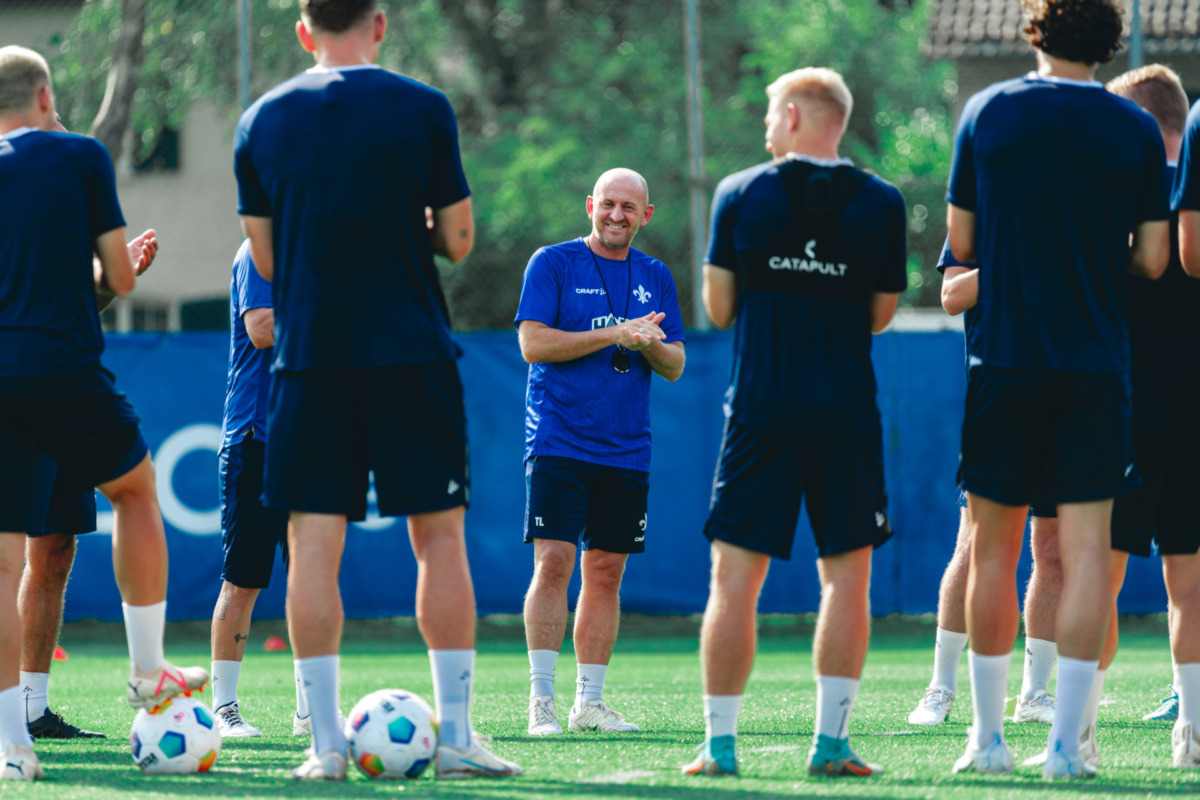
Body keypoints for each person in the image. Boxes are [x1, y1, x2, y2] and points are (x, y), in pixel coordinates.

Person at [233, 0, 520, 780]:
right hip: (410, 352)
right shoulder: (423, 107)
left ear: (304, 30)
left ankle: (325, 745)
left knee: (312, 547)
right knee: (439, 540)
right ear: (380, 23)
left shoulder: (260, 119)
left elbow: (265, 254)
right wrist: (406, 225)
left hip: (309, 358)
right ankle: (455, 736)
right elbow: (458, 241)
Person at [945, 0, 1169, 779]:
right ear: (1110, 44)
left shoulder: (987, 110)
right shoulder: (1136, 128)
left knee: (994, 553)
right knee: (1079, 559)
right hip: (1096, 367)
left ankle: (986, 741)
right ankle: (1066, 748)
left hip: (1004, 361)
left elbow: (962, 243)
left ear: (1034, 30)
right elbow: (1153, 258)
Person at [683, 67, 906, 778]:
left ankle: (720, 747)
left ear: (794, 116)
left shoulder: (739, 193)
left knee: (734, 582)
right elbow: (879, 315)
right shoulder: (882, 202)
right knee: (846, 580)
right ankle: (832, 746)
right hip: (845, 411)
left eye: (771, 114)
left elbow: (719, 310)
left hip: (760, 411)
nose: (765, 127)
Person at [0, 45, 208, 780]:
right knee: (137, 489)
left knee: (9, 559)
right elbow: (115, 276)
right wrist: (117, 273)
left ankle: (11, 745)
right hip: (59, 366)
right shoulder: (80, 156)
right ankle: (149, 672)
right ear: (46, 96)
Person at [515, 168, 685, 736]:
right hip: (559, 440)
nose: (617, 215)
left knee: (606, 571)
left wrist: (649, 342)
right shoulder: (553, 262)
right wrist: (614, 333)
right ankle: (541, 701)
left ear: (646, 214)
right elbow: (533, 343)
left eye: (629, 208)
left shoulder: (656, 274)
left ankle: (588, 703)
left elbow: (676, 365)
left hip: (626, 448)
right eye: (608, 204)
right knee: (555, 562)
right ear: (591, 204)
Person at [909, 240, 1063, 727]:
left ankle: (1035, 693)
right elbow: (952, 294)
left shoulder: (1079, 196)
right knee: (975, 546)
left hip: (1068, 397)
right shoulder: (982, 198)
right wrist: (1023, 259)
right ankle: (941, 687)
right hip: (998, 400)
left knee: (1053, 550)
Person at [20, 225, 159, 742]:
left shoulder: (68, 171)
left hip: (61, 387)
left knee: (55, 547)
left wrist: (102, 282)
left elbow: (70, 312)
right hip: (12, 391)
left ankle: (31, 710)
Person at [1106, 63, 1200, 769]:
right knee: (1189, 582)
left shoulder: (1127, 197)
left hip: (1132, 412)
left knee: (1095, 575)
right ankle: (1191, 732)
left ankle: (1072, 733)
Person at [207, 240, 301, 738]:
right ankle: (223, 709)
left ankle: (311, 709)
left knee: (312, 575)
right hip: (255, 438)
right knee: (243, 580)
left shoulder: (320, 250)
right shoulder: (261, 249)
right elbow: (261, 330)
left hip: (308, 442)